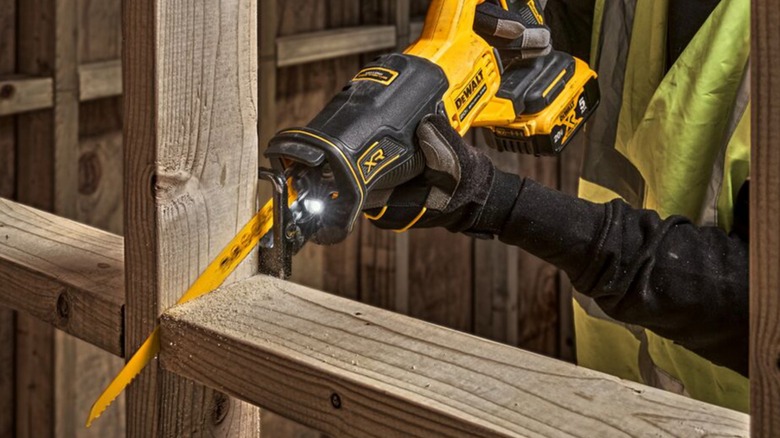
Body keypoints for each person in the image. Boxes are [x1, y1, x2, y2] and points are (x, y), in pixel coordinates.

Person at [365, 0, 750, 412]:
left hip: (735, 416)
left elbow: (754, 303)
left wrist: (496, 202)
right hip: (617, 396)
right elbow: (549, 38)